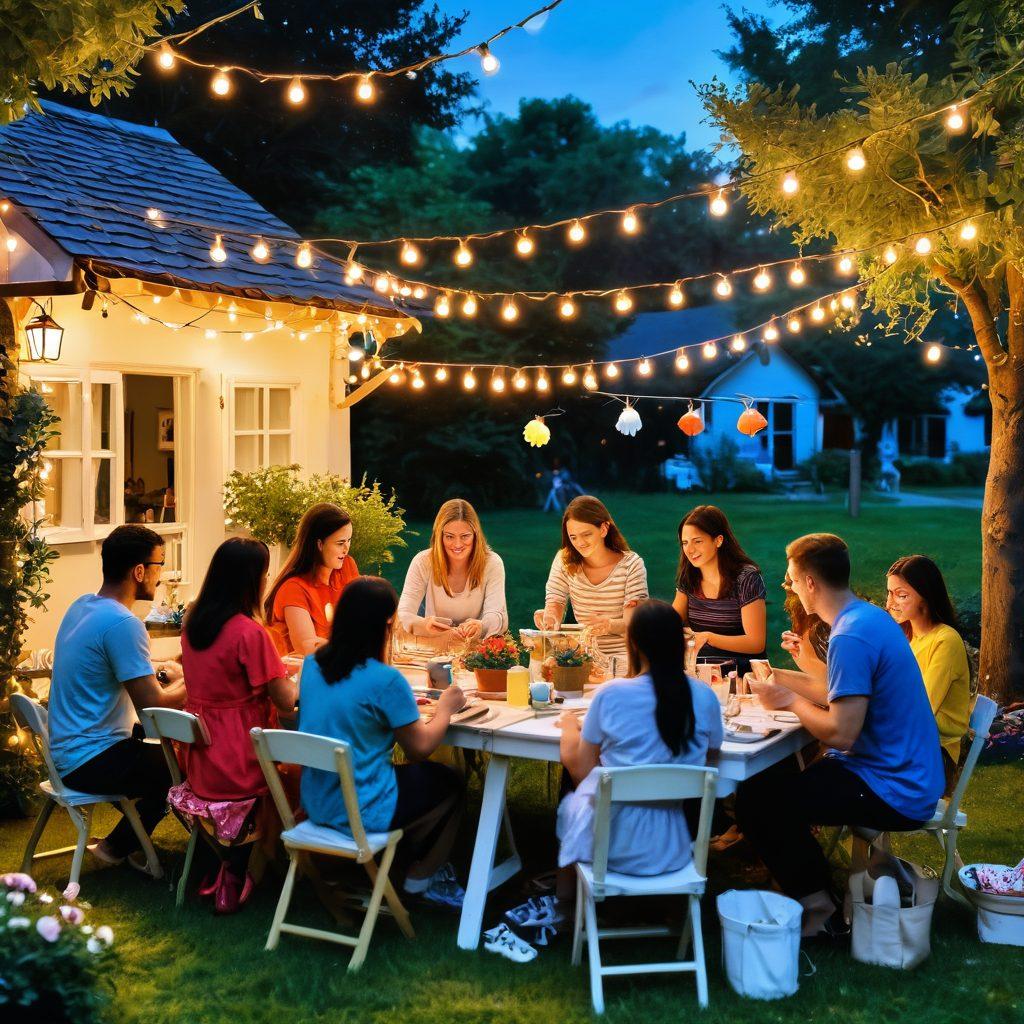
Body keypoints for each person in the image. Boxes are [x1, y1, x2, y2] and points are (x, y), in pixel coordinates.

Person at [736, 533, 945, 938]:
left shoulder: (850, 635)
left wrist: (789, 702)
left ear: (810, 582)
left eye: (791, 580)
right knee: (765, 780)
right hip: (899, 772)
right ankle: (812, 887)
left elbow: (842, 733)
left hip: (895, 788)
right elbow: (836, 691)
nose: (791, 587)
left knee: (758, 804)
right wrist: (776, 676)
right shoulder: (866, 618)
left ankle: (820, 910)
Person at [526, 600, 722, 936]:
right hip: (673, 850)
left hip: (610, 851)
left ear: (633, 644)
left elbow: (581, 771)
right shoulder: (704, 697)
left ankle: (566, 902)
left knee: (576, 792)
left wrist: (570, 726)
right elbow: (711, 758)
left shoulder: (612, 695)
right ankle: (670, 911)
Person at [298, 576, 468, 907]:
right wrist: (445, 709)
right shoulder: (386, 680)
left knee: (412, 779)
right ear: (386, 624)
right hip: (364, 808)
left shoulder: (312, 665)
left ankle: (397, 857)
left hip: (317, 801)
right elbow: (419, 748)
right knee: (451, 782)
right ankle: (421, 877)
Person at [48, 525, 185, 871]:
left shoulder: (83, 606)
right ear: (139, 571)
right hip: (92, 759)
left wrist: (164, 673)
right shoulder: (123, 623)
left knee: (162, 758)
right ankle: (119, 847)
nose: (161, 575)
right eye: (159, 564)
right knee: (182, 763)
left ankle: (125, 840)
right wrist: (197, 680)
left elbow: (116, 670)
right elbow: (153, 708)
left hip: (67, 751)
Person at [179, 537, 298, 913]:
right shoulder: (249, 632)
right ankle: (254, 866)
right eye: (265, 575)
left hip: (200, 753)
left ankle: (228, 862)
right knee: (293, 775)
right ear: (252, 581)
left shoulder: (193, 621)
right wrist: (299, 678)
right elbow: (285, 700)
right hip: (239, 753)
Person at [886, 554, 971, 793]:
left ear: (926, 596)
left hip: (933, 755)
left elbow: (921, 708)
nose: (890, 603)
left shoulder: (945, 640)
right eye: (889, 593)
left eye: (901, 595)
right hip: (903, 743)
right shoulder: (905, 638)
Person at [535, 496, 648, 668]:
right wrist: (549, 618)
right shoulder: (564, 560)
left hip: (625, 659)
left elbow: (635, 624)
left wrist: (609, 625)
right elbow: (555, 601)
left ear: (603, 529)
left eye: (586, 534)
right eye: (573, 537)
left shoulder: (631, 565)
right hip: (583, 658)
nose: (580, 543)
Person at [672, 504, 767, 676]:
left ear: (718, 540)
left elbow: (756, 643)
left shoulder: (746, 578)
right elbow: (670, 623)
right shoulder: (689, 577)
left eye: (697, 541)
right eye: (685, 543)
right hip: (699, 672)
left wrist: (709, 637)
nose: (690, 550)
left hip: (741, 674)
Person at [397, 498, 508, 643]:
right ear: (440, 536)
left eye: (465, 536)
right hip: (435, 646)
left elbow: (498, 616)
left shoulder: (492, 563)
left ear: (475, 535)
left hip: (475, 649)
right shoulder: (423, 562)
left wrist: (481, 626)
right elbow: (403, 614)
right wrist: (424, 625)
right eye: (449, 536)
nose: (457, 544)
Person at [265, 503, 358, 656]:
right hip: (305, 669)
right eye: (340, 543)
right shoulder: (293, 588)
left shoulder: (346, 567)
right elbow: (308, 647)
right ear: (319, 544)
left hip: (341, 664)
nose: (346, 548)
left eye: (349, 540)